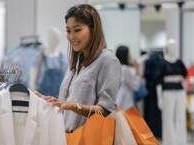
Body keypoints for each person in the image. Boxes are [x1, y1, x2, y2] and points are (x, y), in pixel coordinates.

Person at [35, 4, 121, 132]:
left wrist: (73, 106)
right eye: (68, 31)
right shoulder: (75, 63)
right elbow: (68, 105)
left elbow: (105, 110)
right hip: (66, 140)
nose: (71, 36)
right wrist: (51, 102)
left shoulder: (108, 61)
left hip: (87, 143)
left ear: (93, 29)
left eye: (77, 30)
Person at [115, 45, 141, 110]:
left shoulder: (115, 67)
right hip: (125, 104)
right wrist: (137, 71)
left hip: (117, 102)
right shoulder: (125, 69)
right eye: (129, 54)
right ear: (125, 55)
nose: (130, 56)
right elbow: (136, 87)